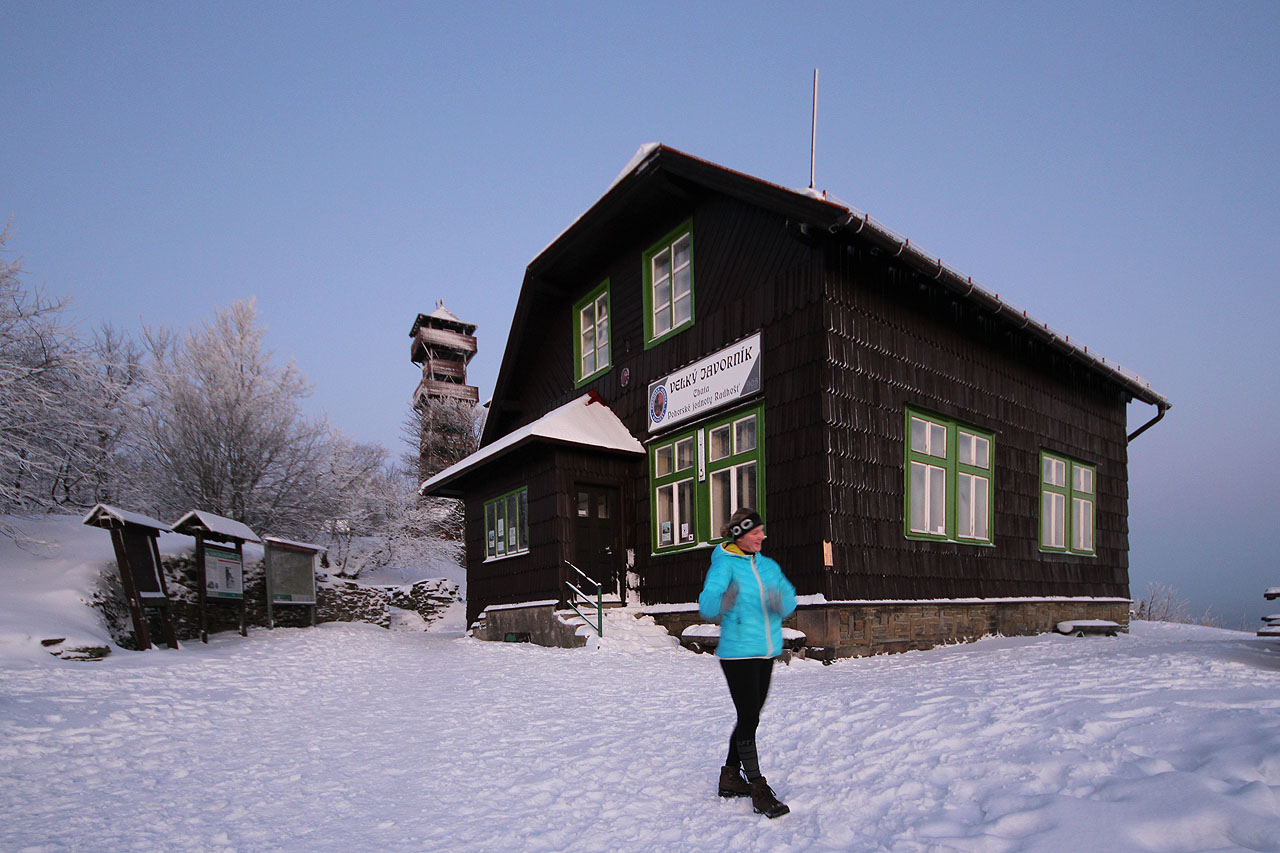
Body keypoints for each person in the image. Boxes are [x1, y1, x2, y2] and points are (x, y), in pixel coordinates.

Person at [697, 507, 796, 819]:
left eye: (761, 531)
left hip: (765, 651)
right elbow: (706, 604)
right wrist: (724, 601)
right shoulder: (724, 564)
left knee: (749, 717)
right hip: (738, 653)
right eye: (755, 532)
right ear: (740, 534)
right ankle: (757, 788)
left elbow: (790, 600)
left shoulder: (767, 566)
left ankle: (730, 776)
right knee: (749, 716)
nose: (762, 536)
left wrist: (780, 601)